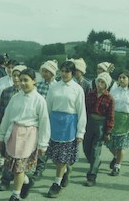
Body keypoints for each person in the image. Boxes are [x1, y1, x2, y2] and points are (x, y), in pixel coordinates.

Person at [0, 68, 50, 201]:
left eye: (26, 80)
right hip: (13, 134)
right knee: (14, 168)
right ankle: (26, 182)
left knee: (19, 168)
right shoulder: (15, 97)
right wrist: (1, 135)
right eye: (21, 80)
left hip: (28, 136)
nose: (22, 83)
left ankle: (15, 195)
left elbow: (44, 123)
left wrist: (43, 144)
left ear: (34, 81)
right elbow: (7, 116)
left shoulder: (39, 100)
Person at [46, 61, 87, 198]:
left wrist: (80, 132)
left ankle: (56, 184)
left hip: (69, 126)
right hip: (54, 124)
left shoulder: (77, 89)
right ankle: (64, 171)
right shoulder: (54, 87)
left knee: (61, 159)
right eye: (62, 71)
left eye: (66, 71)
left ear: (73, 73)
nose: (63, 74)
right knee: (54, 157)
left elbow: (81, 112)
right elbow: (48, 107)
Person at [0, 65, 27, 191]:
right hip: (6, 127)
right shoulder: (6, 91)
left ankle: (22, 179)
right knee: (7, 155)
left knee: (19, 157)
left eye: (19, 75)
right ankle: (5, 180)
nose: (17, 78)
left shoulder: (26, 93)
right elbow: (0, 110)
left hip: (22, 130)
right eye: (14, 75)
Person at [83, 72, 114, 186]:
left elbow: (111, 116)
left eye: (102, 82)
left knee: (96, 150)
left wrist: (108, 131)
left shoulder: (109, 98)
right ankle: (95, 163)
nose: (99, 84)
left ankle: (92, 176)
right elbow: (84, 109)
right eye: (98, 81)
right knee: (86, 148)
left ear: (106, 85)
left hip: (101, 124)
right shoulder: (91, 94)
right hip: (89, 123)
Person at [107, 69, 129, 176]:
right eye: (120, 77)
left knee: (121, 146)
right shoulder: (114, 90)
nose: (121, 79)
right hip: (113, 119)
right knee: (109, 143)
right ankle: (116, 157)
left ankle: (117, 166)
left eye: (124, 77)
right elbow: (109, 105)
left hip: (125, 121)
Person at [33, 60, 58, 180]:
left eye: (47, 71)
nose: (44, 73)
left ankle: (41, 168)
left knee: (47, 144)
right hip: (37, 118)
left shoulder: (56, 86)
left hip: (50, 119)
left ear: (53, 73)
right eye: (43, 70)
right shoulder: (38, 85)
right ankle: (37, 167)